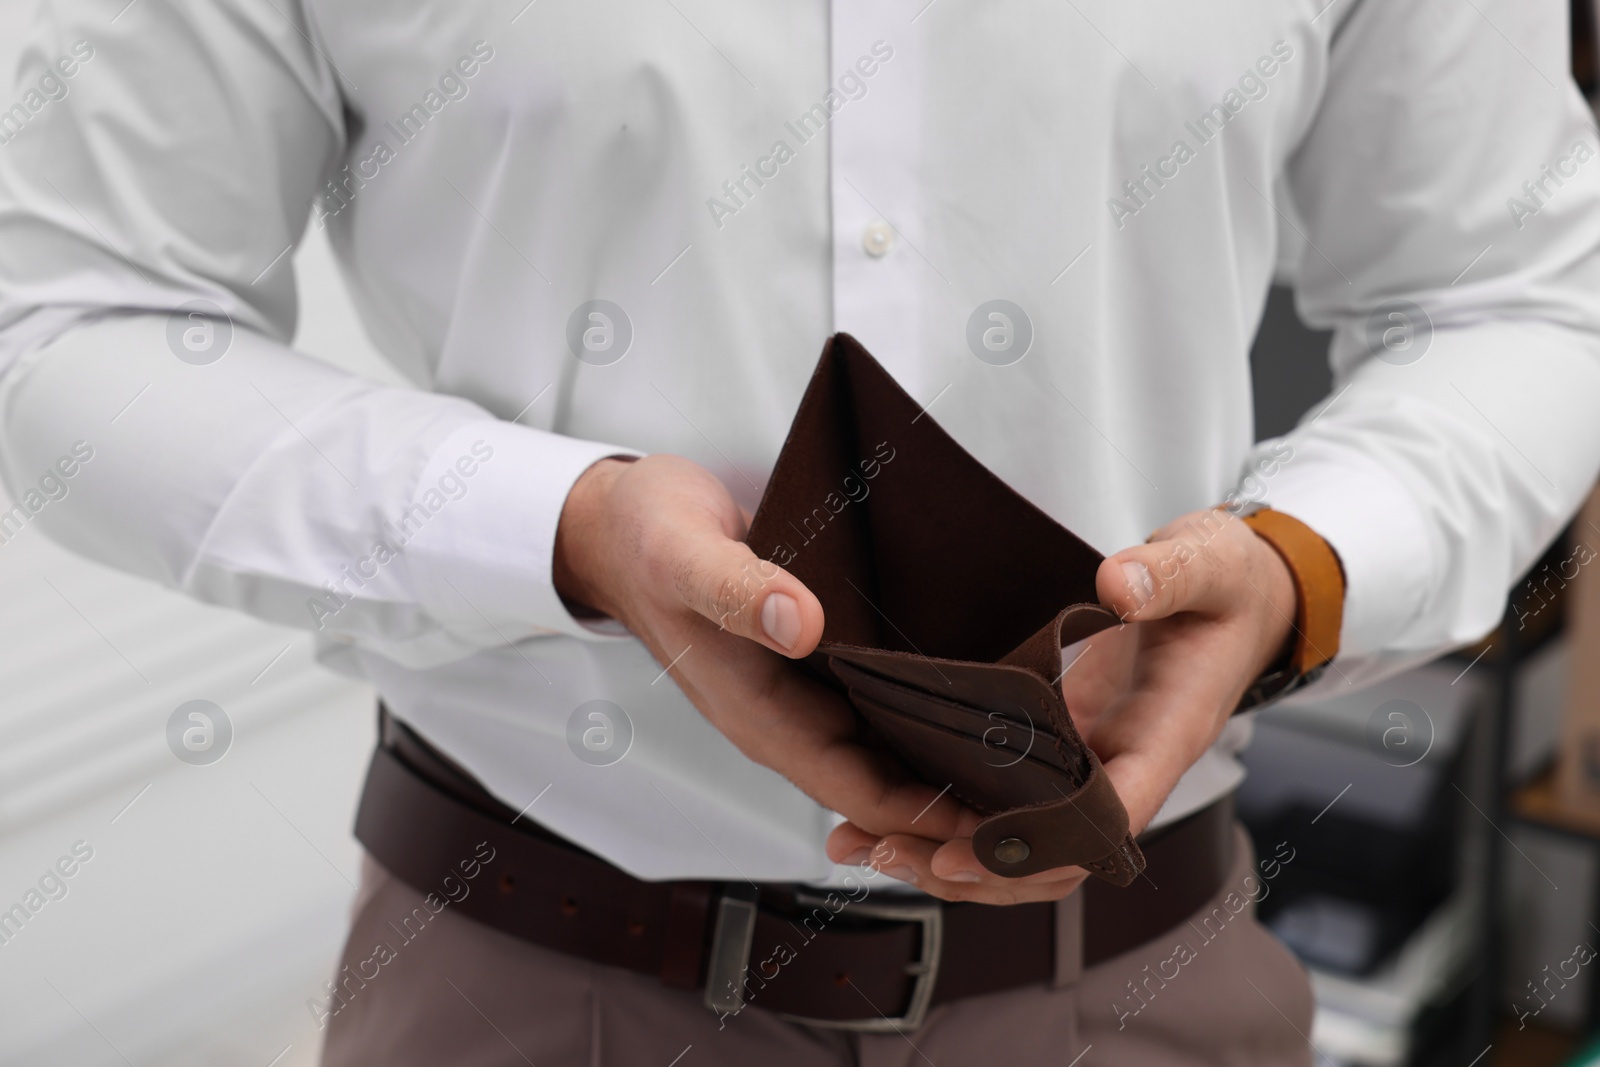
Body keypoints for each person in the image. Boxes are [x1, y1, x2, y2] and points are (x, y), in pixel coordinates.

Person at [1, 1, 1597, 1063]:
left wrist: (1306, 565)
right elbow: (69, 317)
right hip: (520, 974)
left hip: (1139, 988)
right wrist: (556, 530)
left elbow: (1521, 290)